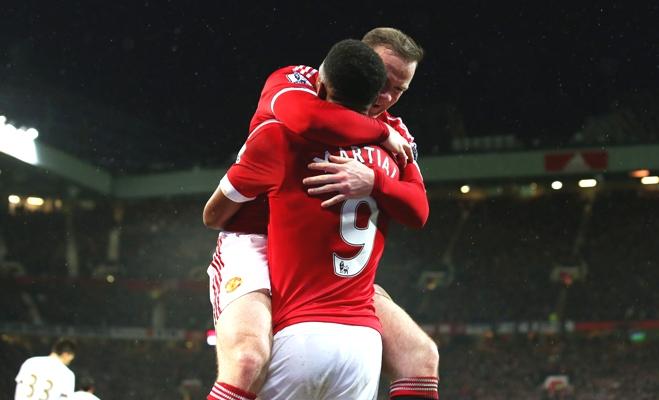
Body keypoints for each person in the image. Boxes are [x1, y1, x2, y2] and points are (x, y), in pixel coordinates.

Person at [204, 28, 438, 400]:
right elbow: (309, 119)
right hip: (255, 242)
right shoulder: (296, 83)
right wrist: (378, 133)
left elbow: (419, 210)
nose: (386, 96)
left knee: (421, 355)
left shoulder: (395, 130)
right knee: (248, 358)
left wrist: (375, 179)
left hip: (321, 260)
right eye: (383, 80)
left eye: (399, 90)